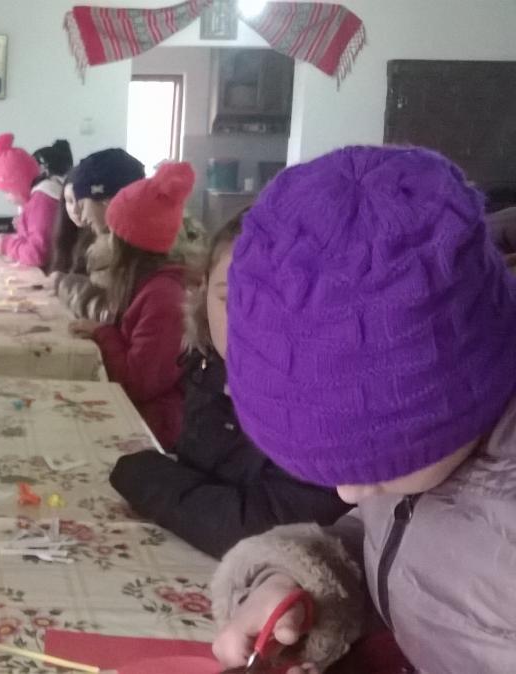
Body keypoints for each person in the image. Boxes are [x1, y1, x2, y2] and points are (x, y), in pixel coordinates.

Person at [209, 146, 516, 673]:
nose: (348, 494)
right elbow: (419, 544)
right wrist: (295, 581)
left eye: (378, 468)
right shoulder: (441, 448)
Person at [108, 212, 350, 558]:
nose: (249, 321)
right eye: (231, 298)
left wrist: (143, 475)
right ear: (204, 290)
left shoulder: (329, 403)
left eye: (276, 300)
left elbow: (261, 531)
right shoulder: (210, 362)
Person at [69, 162, 194, 447]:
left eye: (112, 233)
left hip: (153, 427)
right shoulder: (144, 285)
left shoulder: (163, 298)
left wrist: (102, 333)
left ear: (125, 242)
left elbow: (138, 382)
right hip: (138, 411)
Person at [52, 148, 145, 321]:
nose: (82, 216)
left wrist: (63, 284)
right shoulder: (130, 240)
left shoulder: (126, 250)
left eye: (83, 204)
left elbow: (110, 315)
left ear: (106, 200)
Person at [0, 133, 61, 269]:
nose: (7, 198)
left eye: (8, 191)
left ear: (20, 185)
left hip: (54, 272)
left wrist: (5, 245)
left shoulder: (42, 201)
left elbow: (37, 254)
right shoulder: (37, 198)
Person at [48, 169, 91, 276]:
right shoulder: (67, 233)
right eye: (69, 201)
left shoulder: (103, 241)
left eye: (81, 201)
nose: (75, 210)